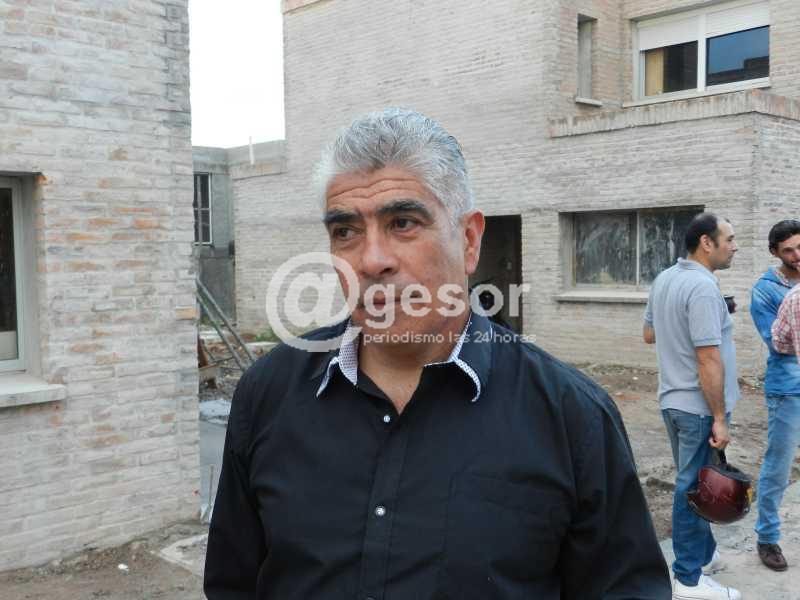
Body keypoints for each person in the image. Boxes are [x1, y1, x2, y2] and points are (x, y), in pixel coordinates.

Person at [204, 108, 670, 599]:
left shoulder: (571, 417)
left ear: (469, 241)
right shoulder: (268, 394)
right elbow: (233, 585)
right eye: (346, 231)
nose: (372, 260)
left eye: (403, 223)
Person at [643, 213, 741, 600]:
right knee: (693, 488)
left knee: (701, 483)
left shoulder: (665, 279)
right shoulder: (701, 288)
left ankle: (704, 554)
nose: (734, 247)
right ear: (706, 242)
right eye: (729, 239)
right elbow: (708, 359)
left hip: (673, 402)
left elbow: (649, 333)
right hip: (698, 408)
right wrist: (719, 417)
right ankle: (687, 579)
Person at [751, 219, 800, 572]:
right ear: (774, 252)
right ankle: (767, 537)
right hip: (788, 387)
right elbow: (776, 343)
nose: (797, 255)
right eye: (789, 250)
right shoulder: (765, 290)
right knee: (779, 466)